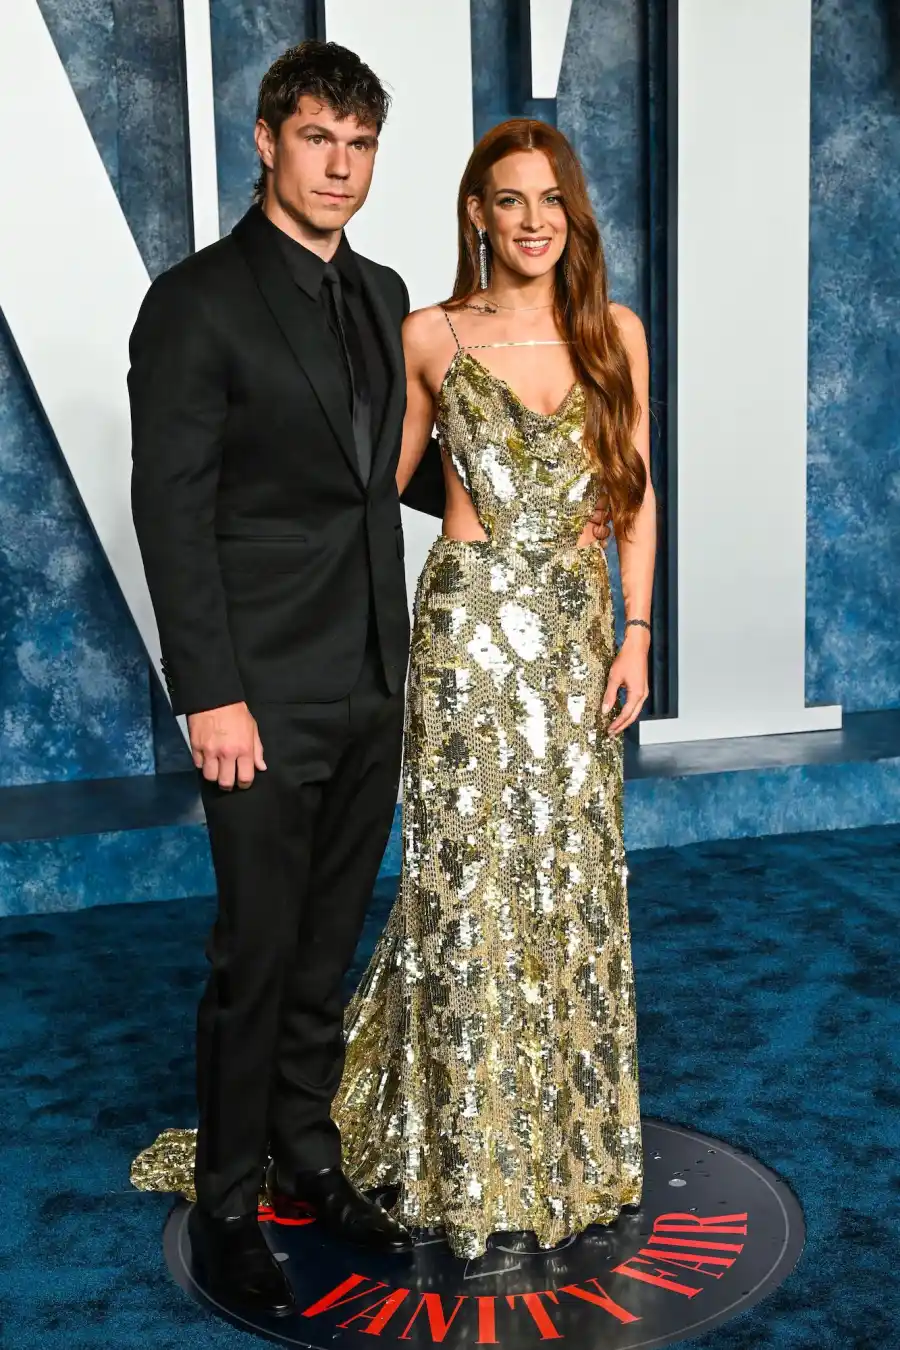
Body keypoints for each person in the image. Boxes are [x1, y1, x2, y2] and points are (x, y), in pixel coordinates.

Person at [127, 41, 613, 1314]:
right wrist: (208, 695)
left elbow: (401, 471)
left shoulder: (385, 292)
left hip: (379, 674)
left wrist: (528, 499)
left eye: (359, 145)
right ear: (266, 144)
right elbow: (171, 515)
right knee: (257, 947)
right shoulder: (197, 302)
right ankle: (230, 1203)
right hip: (259, 692)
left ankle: (306, 1161)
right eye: (316, 139)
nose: (338, 166)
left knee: (328, 940)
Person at [329, 117, 655, 1259]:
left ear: (572, 215)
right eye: (509, 200)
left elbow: (638, 492)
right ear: (477, 213)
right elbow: (385, 485)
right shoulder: (430, 335)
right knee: (470, 888)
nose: (532, 221)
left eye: (550, 200)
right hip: (467, 637)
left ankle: (570, 1153)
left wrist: (637, 633)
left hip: (575, 638)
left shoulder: (614, 332)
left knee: (568, 877)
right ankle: (475, 1171)